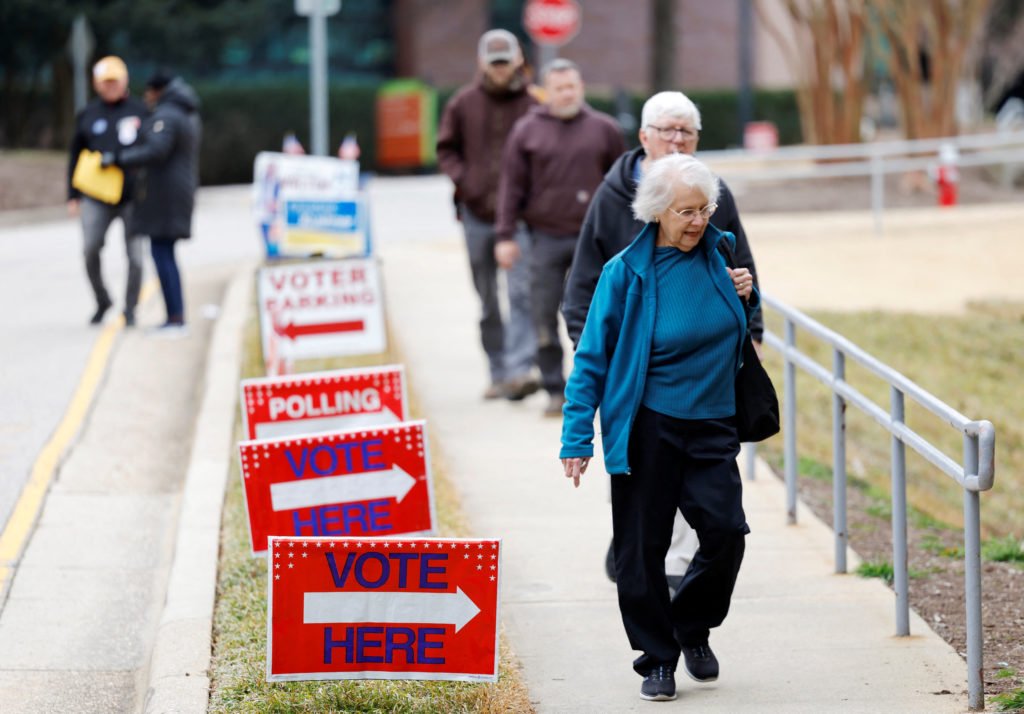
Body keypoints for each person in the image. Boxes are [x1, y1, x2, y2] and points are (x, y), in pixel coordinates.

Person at [559, 154, 756, 702]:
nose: (698, 221)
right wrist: (577, 437)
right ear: (656, 212)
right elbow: (592, 360)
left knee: (725, 533)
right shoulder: (626, 272)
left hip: (713, 423)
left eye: (705, 208)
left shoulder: (719, 253)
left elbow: (732, 322)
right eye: (686, 211)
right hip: (649, 426)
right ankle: (657, 658)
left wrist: (748, 295)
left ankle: (690, 625)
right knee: (640, 549)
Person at [563, 90, 764, 591]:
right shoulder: (614, 199)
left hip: (706, 402)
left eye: (687, 133)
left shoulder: (711, 199)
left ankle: (682, 589)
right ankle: (650, 572)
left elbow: (737, 263)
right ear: (645, 136)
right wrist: (586, 344)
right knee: (646, 515)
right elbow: (589, 279)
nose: (678, 141)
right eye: (668, 131)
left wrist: (750, 314)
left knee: (715, 521)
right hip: (636, 378)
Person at [495, 58, 626, 416]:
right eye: (559, 88)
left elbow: (625, 186)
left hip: (597, 240)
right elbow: (511, 187)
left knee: (601, 313)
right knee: (543, 315)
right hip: (545, 238)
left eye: (572, 86)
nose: (566, 93)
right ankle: (556, 389)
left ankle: (603, 384)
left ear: (580, 87)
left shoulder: (605, 129)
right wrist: (505, 235)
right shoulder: (526, 131)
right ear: (546, 92)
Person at [436, 29, 541, 401]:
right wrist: (467, 181)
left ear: (517, 60)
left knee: (522, 294)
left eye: (505, 61)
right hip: (477, 215)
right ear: (483, 63)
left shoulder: (533, 105)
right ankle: (497, 371)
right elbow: (445, 148)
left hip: (519, 220)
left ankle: (519, 370)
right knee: (487, 299)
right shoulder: (462, 104)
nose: (499, 68)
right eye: (493, 62)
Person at [103, 71, 201, 334]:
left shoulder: (168, 115)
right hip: (172, 194)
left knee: (162, 254)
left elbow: (157, 150)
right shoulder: (182, 111)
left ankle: (176, 319)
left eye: (148, 92)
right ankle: (175, 316)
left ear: (157, 91)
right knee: (164, 253)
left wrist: (120, 159)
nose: (146, 98)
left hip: (166, 197)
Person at [67, 56, 148, 326]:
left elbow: (152, 149)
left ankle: (130, 308)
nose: (110, 86)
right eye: (105, 82)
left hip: (131, 195)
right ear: (96, 84)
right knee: (90, 248)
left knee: (136, 257)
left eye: (114, 81)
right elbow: (75, 155)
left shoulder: (140, 111)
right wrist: (72, 194)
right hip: (95, 194)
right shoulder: (88, 114)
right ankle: (102, 300)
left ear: (124, 80)